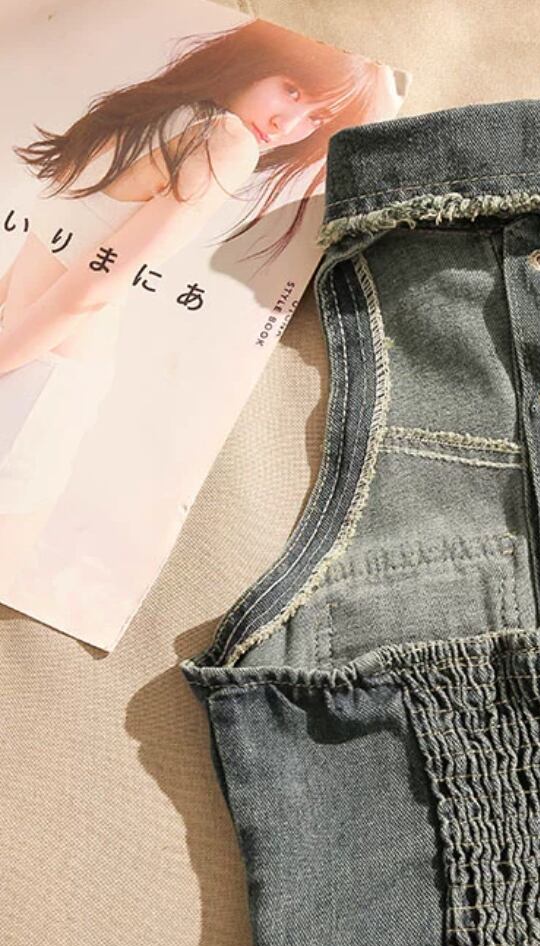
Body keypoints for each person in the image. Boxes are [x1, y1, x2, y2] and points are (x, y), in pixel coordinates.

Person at [0, 17, 403, 554]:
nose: (288, 124)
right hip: (40, 374)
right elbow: (84, 280)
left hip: (29, 361)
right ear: (259, 61)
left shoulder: (165, 118)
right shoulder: (221, 138)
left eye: (317, 117)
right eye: (291, 89)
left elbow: (62, 258)